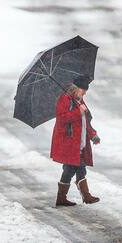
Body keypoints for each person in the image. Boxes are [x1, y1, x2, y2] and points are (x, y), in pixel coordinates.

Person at [51, 75, 100, 207]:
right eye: (83, 90)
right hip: (69, 143)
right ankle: (85, 196)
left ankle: (66, 198)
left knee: (74, 168)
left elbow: (86, 122)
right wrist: (78, 111)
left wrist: (93, 135)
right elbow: (61, 119)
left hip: (80, 142)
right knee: (73, 168)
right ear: (75, 89)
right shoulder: (65, 100)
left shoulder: (79, 101)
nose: (85, 92)